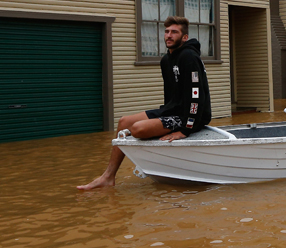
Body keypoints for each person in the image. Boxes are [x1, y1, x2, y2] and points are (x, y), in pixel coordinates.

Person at [77, 16, 211, 190]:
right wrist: (162, 119)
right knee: (124, 122)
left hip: (191, 117)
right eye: (167, 32)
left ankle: (154, 164)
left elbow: (196, 95)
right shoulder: (166, 60)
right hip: (173, 110)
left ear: (184, 37)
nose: (169, 35)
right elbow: (171, 95)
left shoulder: (189, 57)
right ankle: (108, 176)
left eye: (174, 32)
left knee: (137, 129)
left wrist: (186, 129)